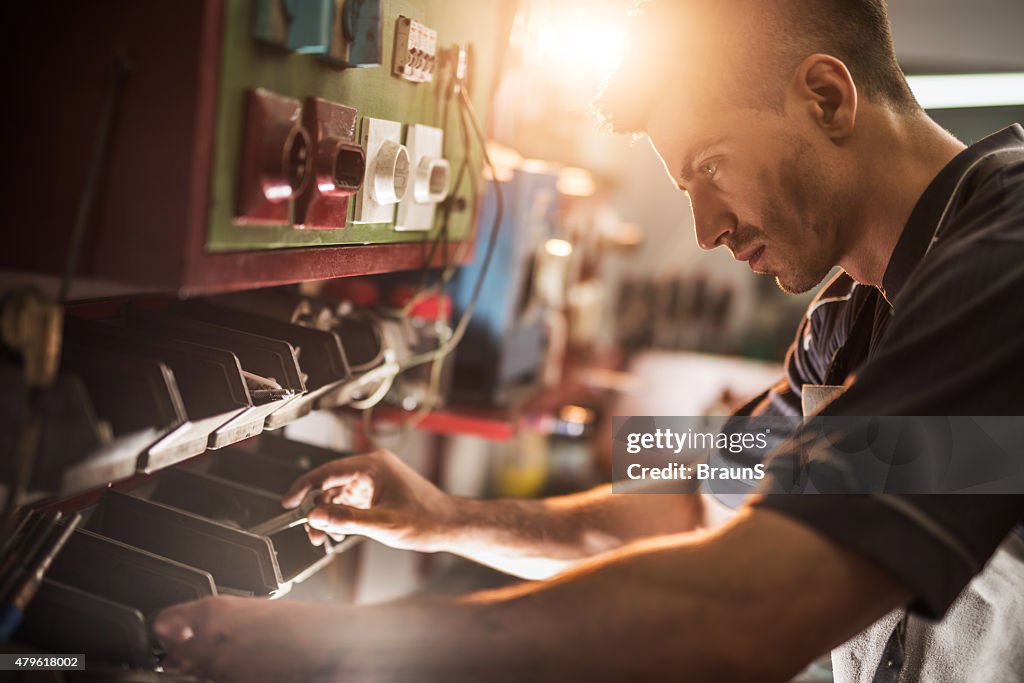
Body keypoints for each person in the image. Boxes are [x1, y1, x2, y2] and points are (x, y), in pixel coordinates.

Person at [154, 1, 1024, 680]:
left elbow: (745, 618)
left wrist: (343, 650)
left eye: (710, 166)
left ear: (827, 97)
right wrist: (445, 518)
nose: (705, 228)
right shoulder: (841, 332)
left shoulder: (1007, 260)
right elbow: (688, 507)